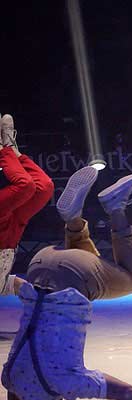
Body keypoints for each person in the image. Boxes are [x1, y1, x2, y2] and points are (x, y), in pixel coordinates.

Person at [2, 166, 132, 400]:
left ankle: (116, 208)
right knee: (83, 268)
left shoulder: (68, 383)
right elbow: (15, 397)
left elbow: (130, 395)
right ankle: (73, 222)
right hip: (38, 264)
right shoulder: (11, 378)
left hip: (76, 275)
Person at [0, 114, 54, 297]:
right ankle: (13, 151)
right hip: (11, 237)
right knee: (45, 187)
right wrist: (40, 299)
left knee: (24, 186)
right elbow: (9, 284)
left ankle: (2, 149)